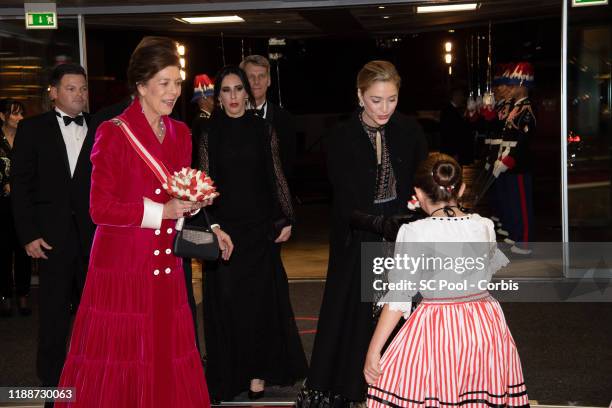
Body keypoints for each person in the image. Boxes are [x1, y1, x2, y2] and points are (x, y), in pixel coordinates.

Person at [56, 36, 214, 408]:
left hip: (167, 266)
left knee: (165, 353)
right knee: (121, 359)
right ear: (141, 86)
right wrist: (163, 211)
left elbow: (179, 197)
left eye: (177, 82)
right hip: (121, 267)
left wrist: (197, 210)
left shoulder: (181, 133)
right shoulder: (112, 132)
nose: (174, 91)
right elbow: (100, 209)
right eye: (164, 83)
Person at [298, 60, 428, 407]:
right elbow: (342, 199)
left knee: (402, 308)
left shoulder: (410, 129)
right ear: (359, 96)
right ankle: (355, 387)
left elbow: (422, 179)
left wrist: (419, 207)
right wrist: (378, 224)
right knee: (356, 313)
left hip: (403, 230)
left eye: (392, 99)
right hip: (357, 233)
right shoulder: (341, 135)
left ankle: (402, 385)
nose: (384, 108)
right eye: (376, 100)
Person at [364, 153, 529, 408]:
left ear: (418, 193)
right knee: (478, 394)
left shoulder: (415, 233)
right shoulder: (484, 225)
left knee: (425, 390)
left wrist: (374, 351)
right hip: (484, 325)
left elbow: (399, 298)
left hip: (438, 326)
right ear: (461, 188)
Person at [196, 65, 307, 402]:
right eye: (226, 90)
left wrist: (286, 218)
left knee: (260, 304)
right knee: (228, 304)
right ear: (219, 97)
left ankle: (258, 374)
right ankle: (230, 376)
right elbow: (202, 185)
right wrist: (211, 226)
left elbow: (276, 177)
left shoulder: (263, 129)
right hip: (225, 232)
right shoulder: (208, 133)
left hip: (259, 231)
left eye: (238, 89)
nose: (232, 96)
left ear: (248, 92)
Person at [11, 63, 96, 390]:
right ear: (54, 92)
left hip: (94, 237)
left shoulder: (100, 125)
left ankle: (92, 374)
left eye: (83, 88)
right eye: (72, 88)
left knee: (97, 311)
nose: (79, 95)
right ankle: (52, 381)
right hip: (50, 238)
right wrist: (29, 234)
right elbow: (21, 187)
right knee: (53, 314)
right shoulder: (32, 129)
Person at [492, 62, 535, 255]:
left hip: (518, 164)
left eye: (513, 85)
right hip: (509, 161)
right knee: (512, 202)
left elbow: (523, 142)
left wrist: (508, 161)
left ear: (522, 85)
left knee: (522, 206)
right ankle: (516, 233)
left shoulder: (526, 109)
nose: (510, 89)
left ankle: (524, 241)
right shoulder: (515, 108)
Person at [240, 55, 297, 178]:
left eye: (261, 76)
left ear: (269, 80)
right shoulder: (230, 118)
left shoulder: (285, 119)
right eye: (251, 77)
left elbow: (288, 167)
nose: (256, 81)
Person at [0, 99, 32, 317]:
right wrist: (4, 184)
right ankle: (5, 296)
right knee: (2, 252)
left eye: (21, 114)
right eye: (15, 114)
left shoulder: (27, 139)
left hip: (22, 204)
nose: (20, 118)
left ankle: (23, 295)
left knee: (24, 250)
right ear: (2, 116)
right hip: (1, 205)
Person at [439, 87, 472, 164]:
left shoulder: (452, 110)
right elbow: (450, 134)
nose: (462, 98)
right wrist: (454, 152)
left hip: (452, 152)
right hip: (451, 152)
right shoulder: (449, 111)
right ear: (455, 96)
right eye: (460, 96)